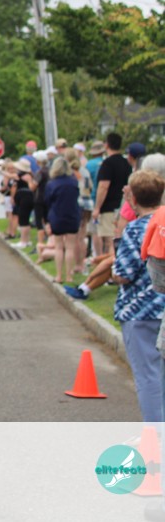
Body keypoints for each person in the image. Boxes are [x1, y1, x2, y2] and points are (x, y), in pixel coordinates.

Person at [112, 170, 165, 423]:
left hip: (140, 310)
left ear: (133, 198)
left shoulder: (134, 230)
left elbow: (123, 274)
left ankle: (155, 434)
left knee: (148, 377)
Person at [94, 133, 132, 258]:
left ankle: (112, 265)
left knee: (110, 240)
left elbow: (103, 186)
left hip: (109, 206)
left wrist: (97, 207)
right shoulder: (126, 163)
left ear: (107, 145)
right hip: (123, 205)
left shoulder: (107, 163)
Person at [44, 157, 81, 284]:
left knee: (59, 247)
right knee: (70, 247)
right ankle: (69, 276)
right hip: (72, 215)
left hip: (57, 216)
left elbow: (47, 202)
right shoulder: (74, 182)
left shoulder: (51, 184)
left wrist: (47, 220)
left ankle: (59, 276)